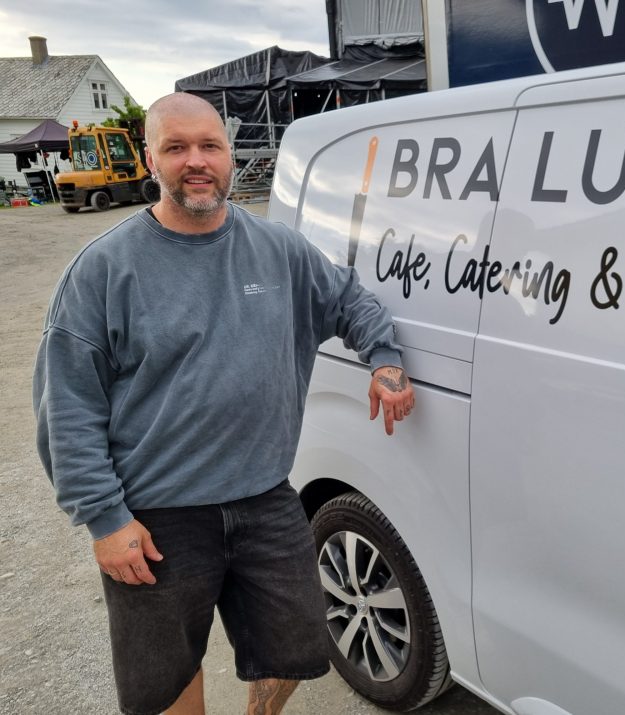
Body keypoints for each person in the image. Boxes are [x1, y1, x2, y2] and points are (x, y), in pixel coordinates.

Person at [32, 92, 415, 715]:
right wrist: (104, 519)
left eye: (209, 146)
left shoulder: (278, 249)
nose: (196, 161)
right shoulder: (103, 269)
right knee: (166, 676)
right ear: (150, 158)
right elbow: (67, 406)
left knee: (294, 650)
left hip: (265, 498)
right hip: (157, 516)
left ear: (229, 154)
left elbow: (351, 300)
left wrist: (386, 362)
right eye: (176, 148)